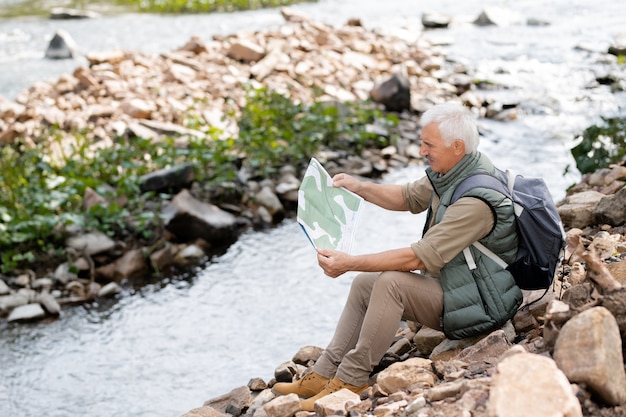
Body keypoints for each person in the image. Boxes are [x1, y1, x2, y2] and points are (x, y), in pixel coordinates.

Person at [274, 102, 523, 411]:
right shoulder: (452, 171)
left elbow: (419, 258)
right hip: (459, 287)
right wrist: (358, 187)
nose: (421, 151)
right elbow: (407, 197)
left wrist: (348, 262)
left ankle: (352, 380)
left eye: (428, 145)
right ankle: (324, 373)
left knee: (392, 283)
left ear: (457, 147)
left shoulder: (475, 201)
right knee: (366, 283)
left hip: (483, 302)